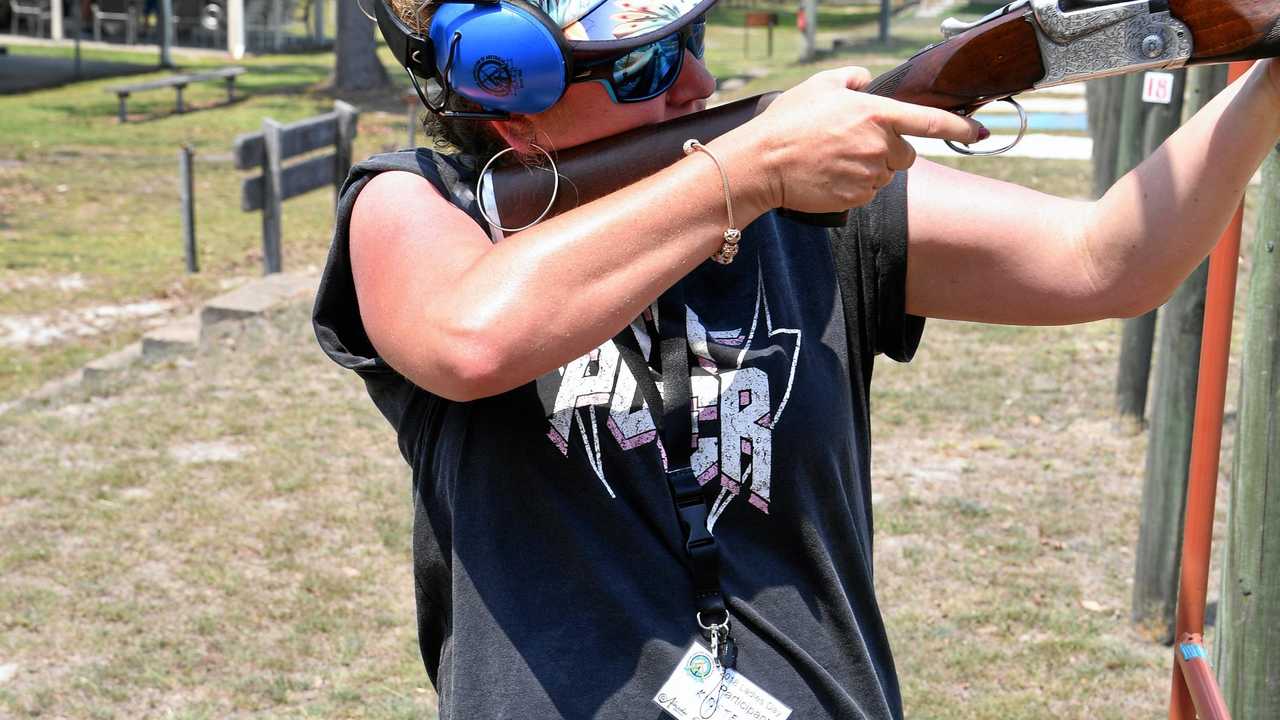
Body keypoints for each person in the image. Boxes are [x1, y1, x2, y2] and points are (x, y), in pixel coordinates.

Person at [312, 0, 1280, 717]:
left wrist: (1266, 83)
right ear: (505, 98)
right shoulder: (422, 207)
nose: (696, 85)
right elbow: (470, 335)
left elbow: (1105, 259)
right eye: (645, 70)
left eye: (687, 44)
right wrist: (753, 171)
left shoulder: (803, 195)